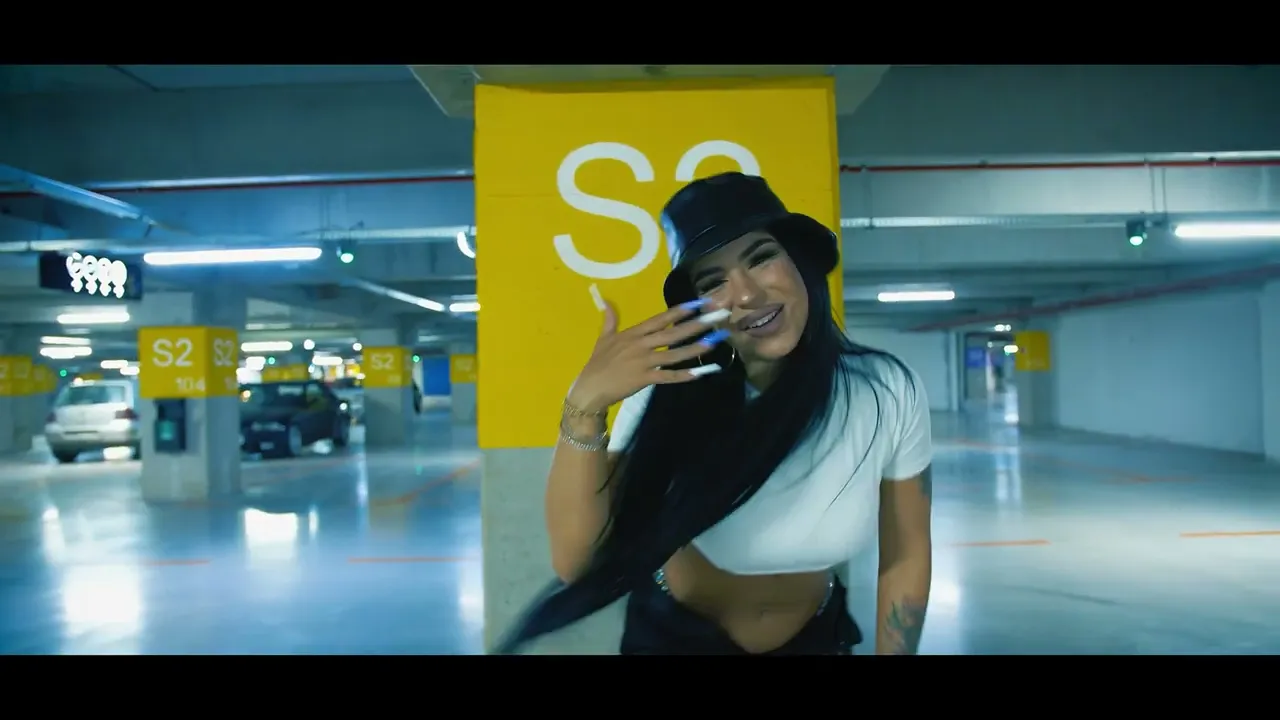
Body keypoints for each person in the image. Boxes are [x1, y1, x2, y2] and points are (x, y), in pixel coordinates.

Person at [497, 172, 934, 655]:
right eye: (713, 281)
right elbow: (576, 563)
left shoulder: (885, 391)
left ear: (799, 259)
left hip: (816, 639)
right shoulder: (670, 392)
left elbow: (906, 552)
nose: (745, 295)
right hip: (674, 640)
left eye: (761, 258)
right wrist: (585, 406)